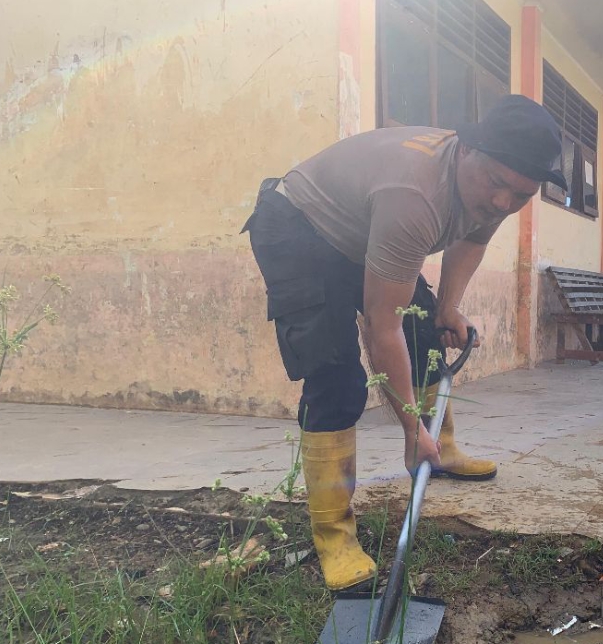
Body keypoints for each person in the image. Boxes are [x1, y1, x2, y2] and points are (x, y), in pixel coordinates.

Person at [241, 95, 566, 592]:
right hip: (299, 227)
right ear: (467, 150)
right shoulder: (415, 194)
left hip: (363, 230)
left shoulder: (499, 186)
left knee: (428, 333)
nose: (504, 202)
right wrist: (411, 430)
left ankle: (445, 450)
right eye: (498, 184)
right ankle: (335, 537)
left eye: (520, 195)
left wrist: (448, 307)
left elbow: (473, 239)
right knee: (338, 378)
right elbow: (381, 327)